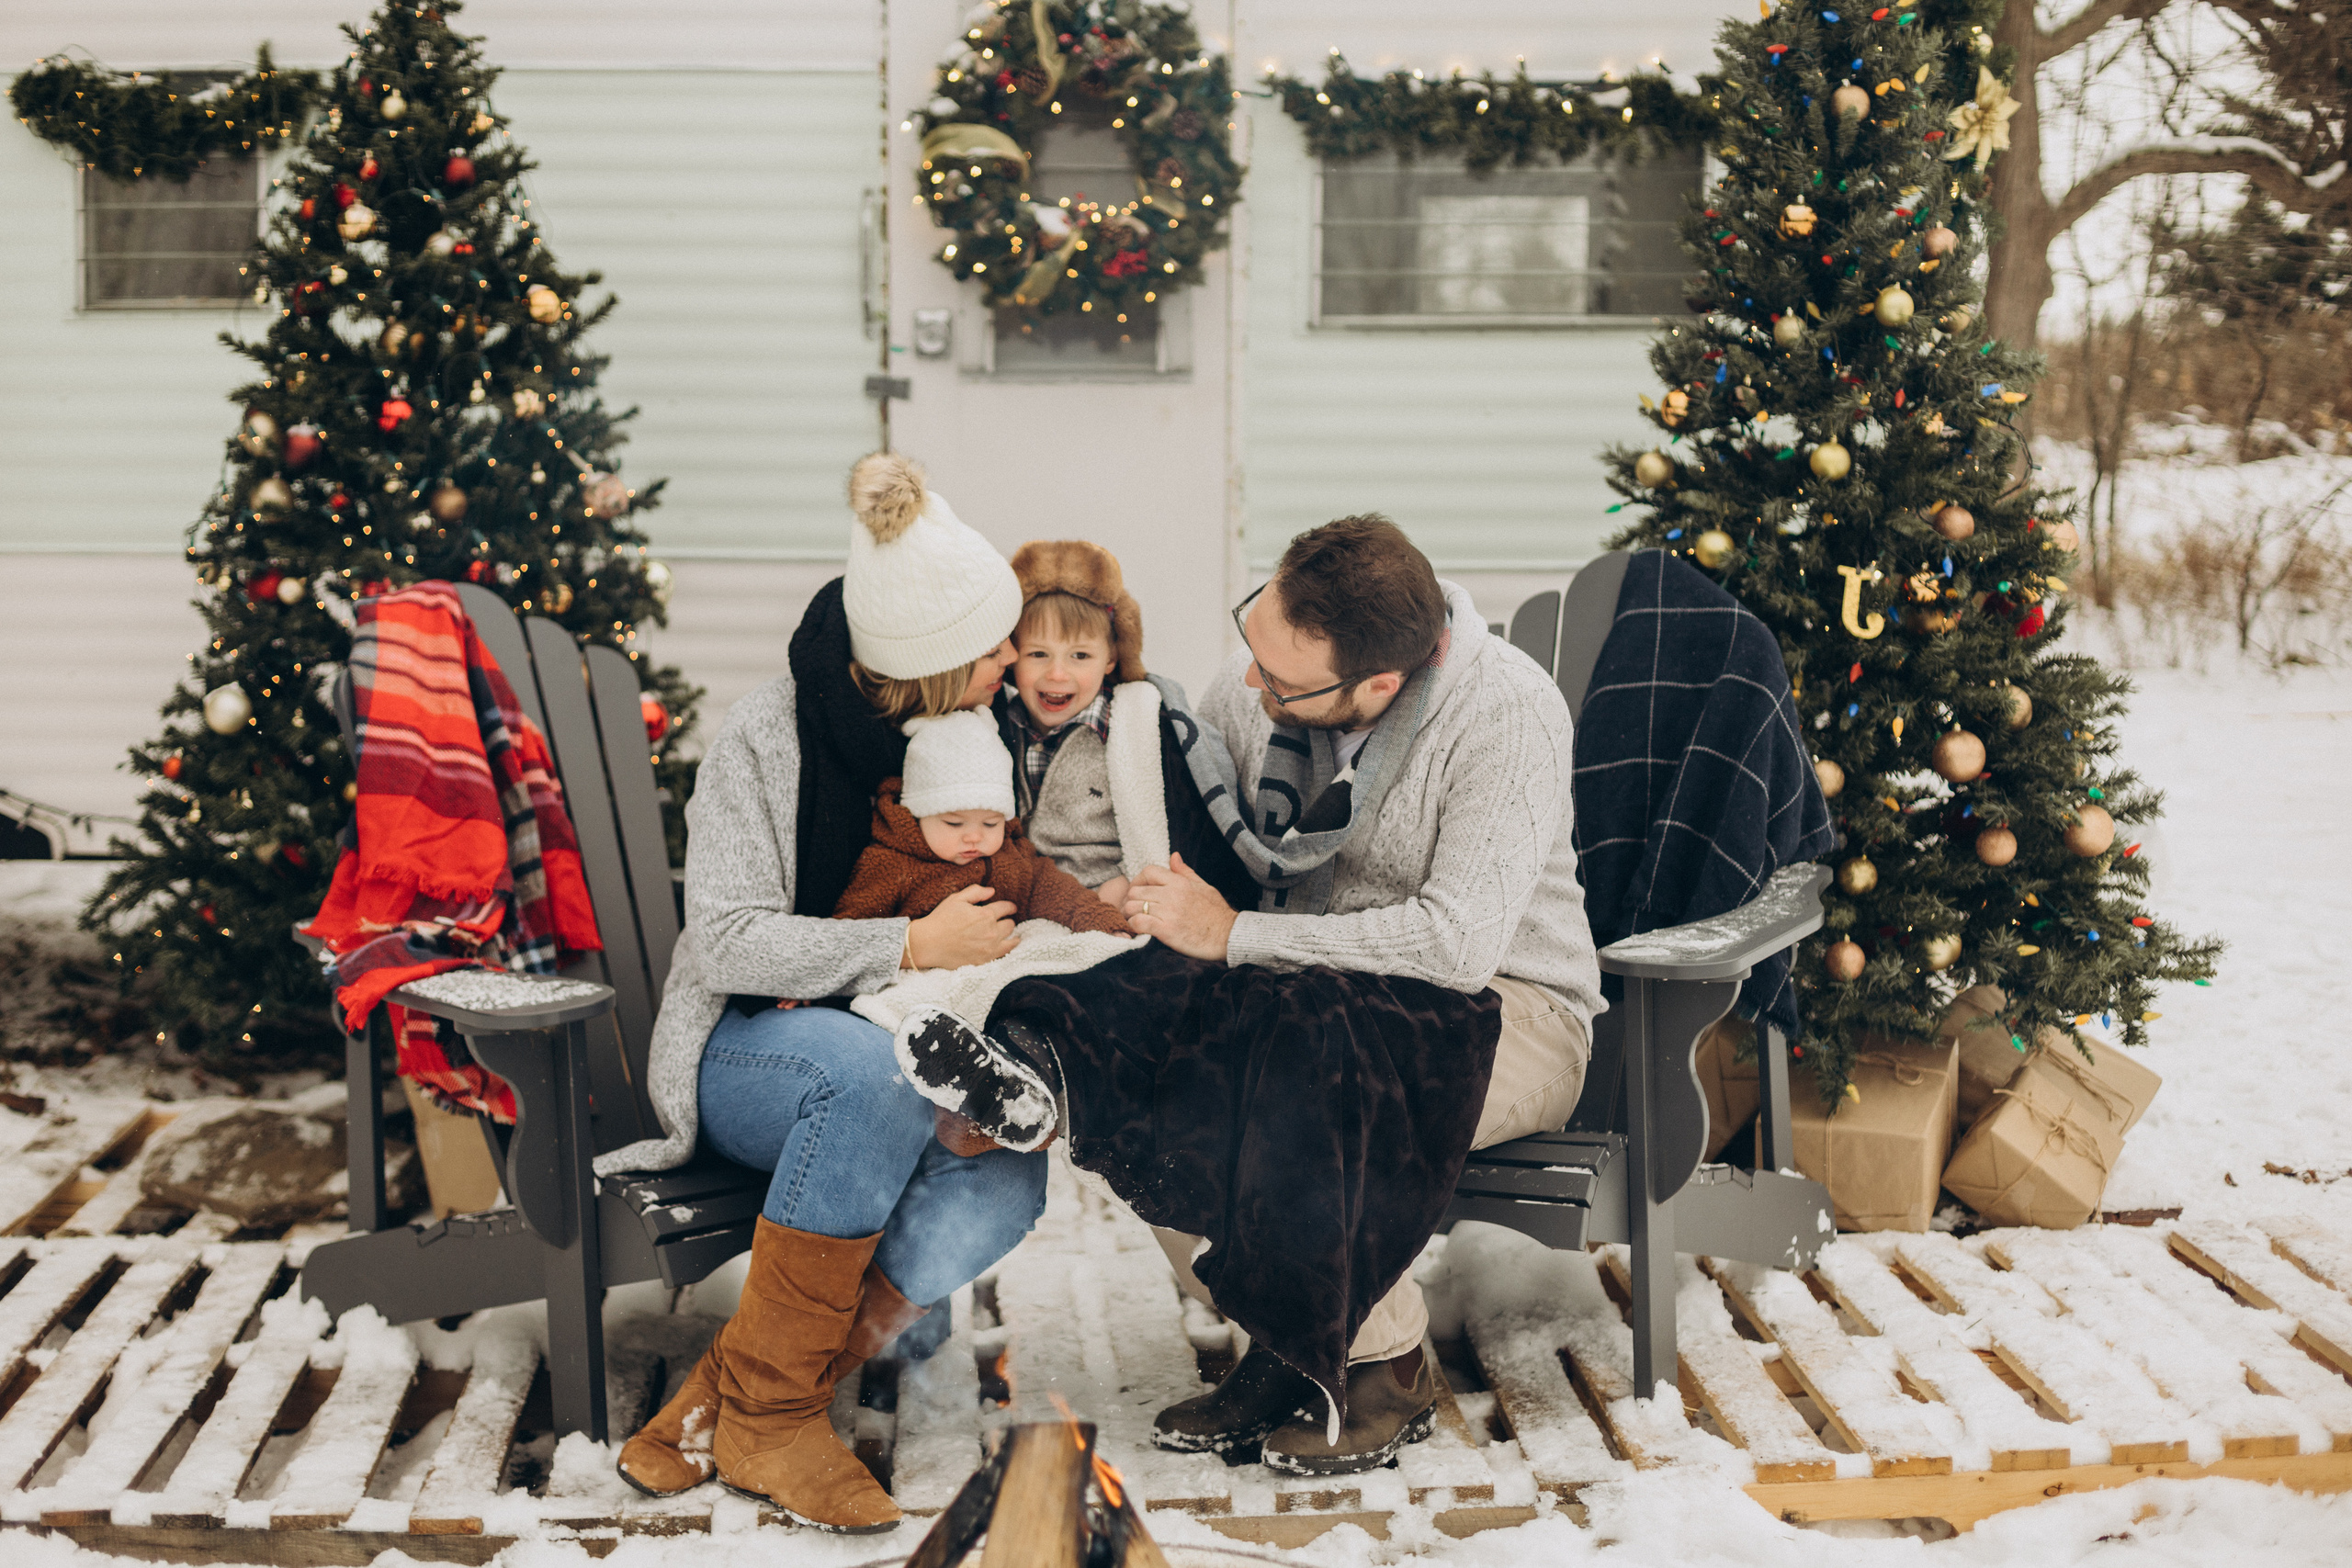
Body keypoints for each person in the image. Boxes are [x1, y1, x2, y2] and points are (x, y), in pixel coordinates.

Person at [898, 515, 1604, 1476]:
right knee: (1151, 1070)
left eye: (1280, 680)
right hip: (1302, 1000)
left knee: (1297, 1069)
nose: (1249, 684)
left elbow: (1455, 943)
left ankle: (1384, 1364)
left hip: (1505, 1010)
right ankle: (1283, 1329)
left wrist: (1235, 935)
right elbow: (1184, 830)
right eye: (1252, 640)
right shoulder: (1258, 680)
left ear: (1377, 688)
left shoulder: (1504, 713)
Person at [601, 452, 1046, 1535]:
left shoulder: (980, 740)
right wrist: (908, 946)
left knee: (1007, 1174)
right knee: (872, 1078)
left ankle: (737, 1401)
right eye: (993, 646)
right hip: (751, 1048)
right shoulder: (768, 739)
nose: (1012, 660)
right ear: (932, 662)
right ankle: (778, 1423)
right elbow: (725, 942)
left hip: (908, 1040)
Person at [830, 710, 1131, 936]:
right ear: (916, 816)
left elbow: (1061, 894)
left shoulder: (1013, 859)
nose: (974, 837)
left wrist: (1105, 922)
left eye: (990, 824)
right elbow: (852, 932)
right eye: (953, 823)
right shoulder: (889, 865)